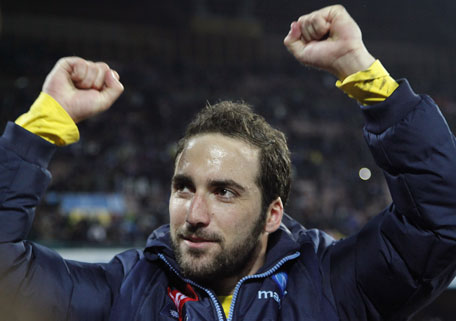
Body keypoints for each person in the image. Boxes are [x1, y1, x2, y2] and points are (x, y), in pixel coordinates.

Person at [1, 4, 456, 321]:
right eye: (184, 187)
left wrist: (366, 77)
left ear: (272, 213)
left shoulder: (335, 285)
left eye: (225, 192)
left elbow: (441, 222)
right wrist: (41, 125)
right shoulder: (123, 293)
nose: (194, 215)